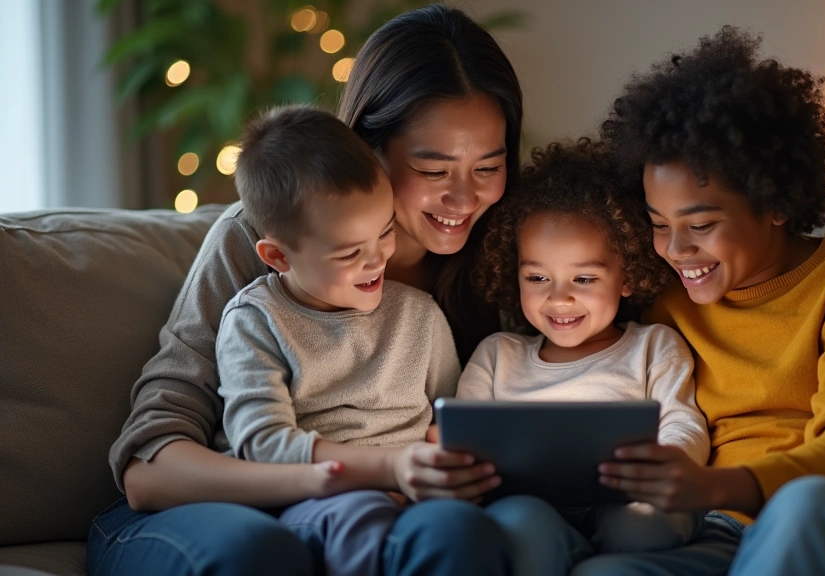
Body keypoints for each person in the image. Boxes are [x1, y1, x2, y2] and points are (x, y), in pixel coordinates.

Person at [87, 6, 523, 576]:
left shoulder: (510, 257)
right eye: (434, 170)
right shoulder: (260, 242)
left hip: (386, 509)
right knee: (256, 554)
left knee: (457, 536)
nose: (464, 199)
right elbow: (150, 468)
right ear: (367, 151)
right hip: (215, 509)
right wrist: (351, 476)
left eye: (487, 168)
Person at [573, 26, 825, 576]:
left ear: (776, 203)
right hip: (728, 529)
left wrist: (713, 484)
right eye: (658, 224)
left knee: (804, 505)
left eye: (702, 224)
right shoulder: (667, 302)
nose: (675, 248)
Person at [216, 104, 482, 576]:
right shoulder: (255, 322)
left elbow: (454, 416)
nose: (377, 259)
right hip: (322, 501)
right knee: (360, 519)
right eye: (349, 251)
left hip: (417, 497)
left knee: (462, 529)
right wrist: (388, 468)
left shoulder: (419, 315)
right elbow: (261, 442)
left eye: (384, 233)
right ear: (278, 255)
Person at [456, 139, 711, 574]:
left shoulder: (652, 346)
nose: (559, 298)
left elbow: (683, 422)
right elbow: (465, 436)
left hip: (629, 500)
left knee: (649, 523)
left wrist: (663, 469)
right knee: (517, 525)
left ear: (627, 275)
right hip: (532, 507)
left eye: (584, 277)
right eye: (537, 276)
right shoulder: (497, 355)